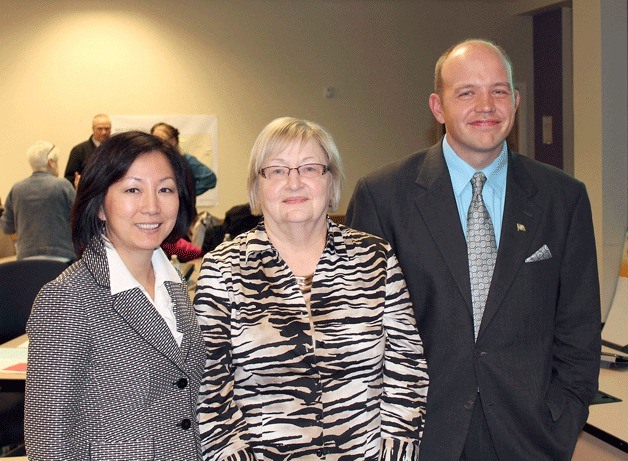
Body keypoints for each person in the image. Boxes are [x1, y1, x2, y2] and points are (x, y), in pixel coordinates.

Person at [346, 39, 601, 461]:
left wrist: (563, 418)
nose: (487, 105)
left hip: (532, 437)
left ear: (516, 101)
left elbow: (579, 328)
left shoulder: (563, 198)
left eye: (499, 91)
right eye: (467, 92)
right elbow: (360, 333)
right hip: (417, 437)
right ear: (438, 106)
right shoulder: (382, 197)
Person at [194, 117, 428, 460]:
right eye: (276, 170)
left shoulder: (375, 258)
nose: (294, 183)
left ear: (330, 182)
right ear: (256, 187)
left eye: (309, 168)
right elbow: (209, 387)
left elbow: (406, 366)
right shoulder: (222, 269)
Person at [24, 131, 205, 459]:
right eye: (133, 189)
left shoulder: (174, 282)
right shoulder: (67, 298)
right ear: (101, 206)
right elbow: (47, 435)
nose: (152, 206)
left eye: (165, 189)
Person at [0, 141, 76, 261]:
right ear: (51, 162)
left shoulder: (17, 188)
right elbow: (80, 218)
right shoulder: (63, 186)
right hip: (62, 258)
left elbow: (6, 227)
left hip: (26, 259)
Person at [151, 122, 217, 197]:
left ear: (173, 141)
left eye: (160, 138)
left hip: (183, 208)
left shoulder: (188, 161)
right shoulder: (158, 161)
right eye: (154, 139)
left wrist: (185, 194)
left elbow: (210, 178)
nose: (155, 143)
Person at [64, 113, 112, 187]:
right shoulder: (79, 151)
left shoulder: (116, 149)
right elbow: (69, 179)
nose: (104, 132)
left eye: (107, 128)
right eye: (100, 129)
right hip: (87, 195)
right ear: (93, 129)